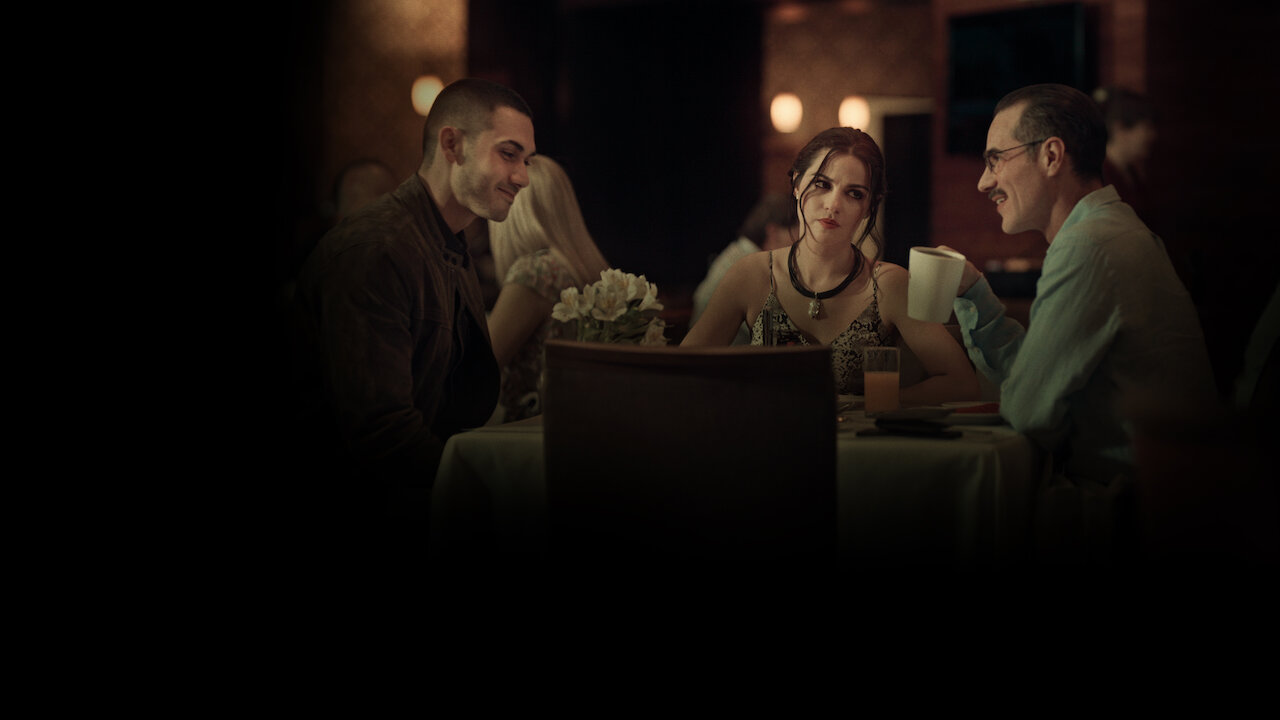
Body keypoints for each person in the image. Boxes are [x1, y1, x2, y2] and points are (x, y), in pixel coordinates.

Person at [289, 78, 537, 557]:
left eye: (526, 159)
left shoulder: (448, 242)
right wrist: (494, 488)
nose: (523, 177)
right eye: (509, 154)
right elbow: (380, 435)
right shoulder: (377, 249)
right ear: (452, 144)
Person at [946, 83, 1216, 492]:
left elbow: (1027, 411)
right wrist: (974, 292)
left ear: (1051, 156)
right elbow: (1039, 378)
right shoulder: (1110, 228)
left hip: (1137, 509)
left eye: (995, 159)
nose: (984, 182)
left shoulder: (1089, 245)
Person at [683, 127, 979, 405]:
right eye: (822, 184)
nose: (833, 204)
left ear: (869, 207)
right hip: (766, 437)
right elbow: (681, 372)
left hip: (858, 442)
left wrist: (877, 405)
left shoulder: (889, 284)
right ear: (797, 184)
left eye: (854, 193)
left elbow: (962, 383)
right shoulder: (752, 274)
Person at [486, 155, 611, 422]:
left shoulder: (535, 272)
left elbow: (479, 366)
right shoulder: (581, 270)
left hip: (532, 433)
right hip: (581, 426)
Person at [692, 194, 798, 345]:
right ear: (773, 233)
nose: (799, 247)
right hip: (720, 358)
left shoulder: (739, 252)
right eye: (797, 237)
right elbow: (776, 337)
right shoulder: (749, 266)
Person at [1093, 86, 1156, 224]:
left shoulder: (1130, 171)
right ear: (1119, 129)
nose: (1152, 135)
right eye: (1146, 127)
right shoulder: (1099, 177)